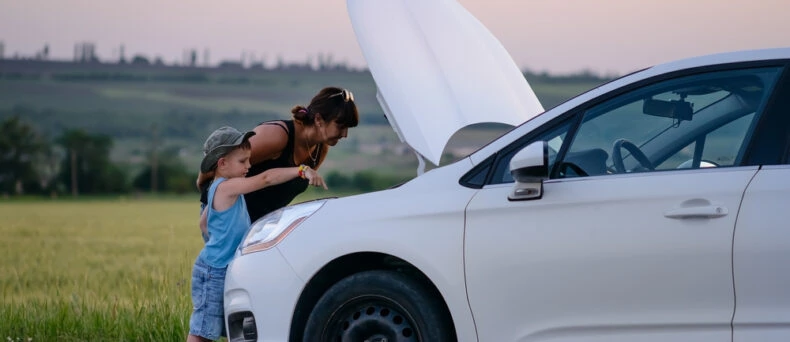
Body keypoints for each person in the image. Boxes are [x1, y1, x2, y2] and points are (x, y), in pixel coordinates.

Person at [187, 126, 325, 342]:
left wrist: (217, 244)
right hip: (214, 272)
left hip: (220, 267)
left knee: (224, 330)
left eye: (248, 160)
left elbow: (204, 223)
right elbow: (266, 179)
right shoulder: (226, 188)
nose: (249, 166)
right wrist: (301, 170)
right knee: (202, 333)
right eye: (243, 161)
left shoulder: (220, 189)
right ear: (222, 163)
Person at [197, 86, 359, 222]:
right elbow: (219, 162)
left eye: (348, 128)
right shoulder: (277, 136)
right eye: (340, 126)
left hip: (259, 225)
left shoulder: (319, 149)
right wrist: (203, 185)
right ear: (318, 119)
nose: (344, 134)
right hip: (228, 219)